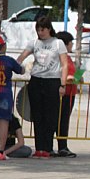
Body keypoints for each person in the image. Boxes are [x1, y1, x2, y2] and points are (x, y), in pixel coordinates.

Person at [16, 16, 68, 159]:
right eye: (38, 30)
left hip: (52, 81)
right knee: (37, 114)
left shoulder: (58, 43)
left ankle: (48, 147)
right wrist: (15, 66)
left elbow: (64, 64)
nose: (40, 32)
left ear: (49, 29)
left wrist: (62, 84)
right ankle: (39, 148)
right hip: (36, 80)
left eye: (43, 29)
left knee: (50, 115)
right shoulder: (34, 43)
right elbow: (21, 57)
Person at [0, 33, 24, 160]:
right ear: (4, 46)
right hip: (5, 93)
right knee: (4, 122)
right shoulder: (8, 61)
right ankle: (0, 151)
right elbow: (20, 70)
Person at [54, 31, 78, 157]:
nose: (72, 45)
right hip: (62, 93)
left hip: (71, 93)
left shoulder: (68, 57)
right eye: (70, 43)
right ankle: (60, 147)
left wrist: (77, 79)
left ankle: (63, 145)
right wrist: (68, 79)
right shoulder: (59, 57)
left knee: (64, 120)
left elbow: (73, 72)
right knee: (59, 120)